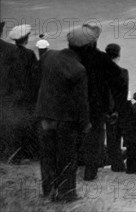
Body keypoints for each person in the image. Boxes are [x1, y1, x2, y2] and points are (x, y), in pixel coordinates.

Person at [36, 29, 91, 202]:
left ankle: (48, 190)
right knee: (67, 158)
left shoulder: (48, 56)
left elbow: (39, 77)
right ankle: (66, 193)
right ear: (85, 49)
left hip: (45, 115)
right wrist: (85, 124)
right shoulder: (79, 69)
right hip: (65, 121)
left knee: (47, 155)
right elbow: (81, 101)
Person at [73, 23, 127, 181]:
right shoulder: (101, 60)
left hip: (80, 104)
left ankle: (78, 166)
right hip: (96, 107)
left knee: (82, 135)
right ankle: (90, 172)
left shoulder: (77, 58)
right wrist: (110, 110)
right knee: (96, 138)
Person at [4, 24, 40, 160]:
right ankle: (26, 153)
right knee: (27, 122)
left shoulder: (9, 53)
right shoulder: (29, 54)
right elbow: (34, 75)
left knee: (15, 123)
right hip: (25, 94)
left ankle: (14, 153)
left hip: (11, 93)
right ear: (26, 38)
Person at [104, 43, 130, 173]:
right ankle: (117, 165)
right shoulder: (123, 73)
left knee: (108, 139)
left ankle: (110, 162)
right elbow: (123, 95)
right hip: (117, 110)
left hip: (103, 110)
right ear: (118, 56)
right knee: (116, 138)